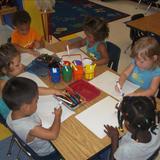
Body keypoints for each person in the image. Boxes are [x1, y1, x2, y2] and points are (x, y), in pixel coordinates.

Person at [3, 77, 62, 159]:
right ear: (26, 107)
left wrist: (55, 91)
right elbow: (53, 135)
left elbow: (35, 91)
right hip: (48, 152)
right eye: (36, 101)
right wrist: (57, 116)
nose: (37, 101)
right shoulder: (29, 127)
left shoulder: (14, 111)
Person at [0, 43, 63, 119]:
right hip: (11, 117)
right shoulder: (5, 85)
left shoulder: (7, 75)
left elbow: (14, 45)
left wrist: (54, 91)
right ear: (4, 70)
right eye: (17, 65)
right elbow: (31, 90)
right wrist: (54, 90)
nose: (22, 66)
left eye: (20, 62)